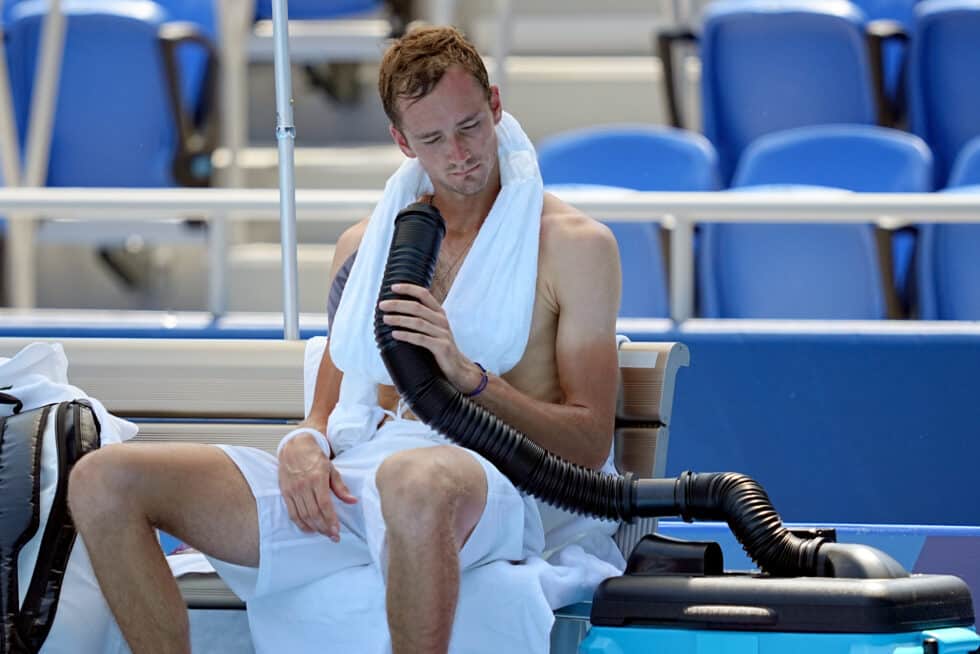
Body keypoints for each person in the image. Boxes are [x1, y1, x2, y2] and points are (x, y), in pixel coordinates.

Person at [67, 25, 623, 654]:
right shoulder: (365, 246)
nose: (459, 154)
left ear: (495, 105)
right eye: (433, 140)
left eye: (470, 127)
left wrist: (467, 379)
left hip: (493, 486)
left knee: (411, 482)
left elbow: (587, 440)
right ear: (400, 142)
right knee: (104, 480)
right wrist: (304, 443)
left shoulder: (576, 247)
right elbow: (326, 412)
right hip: (362, 476)